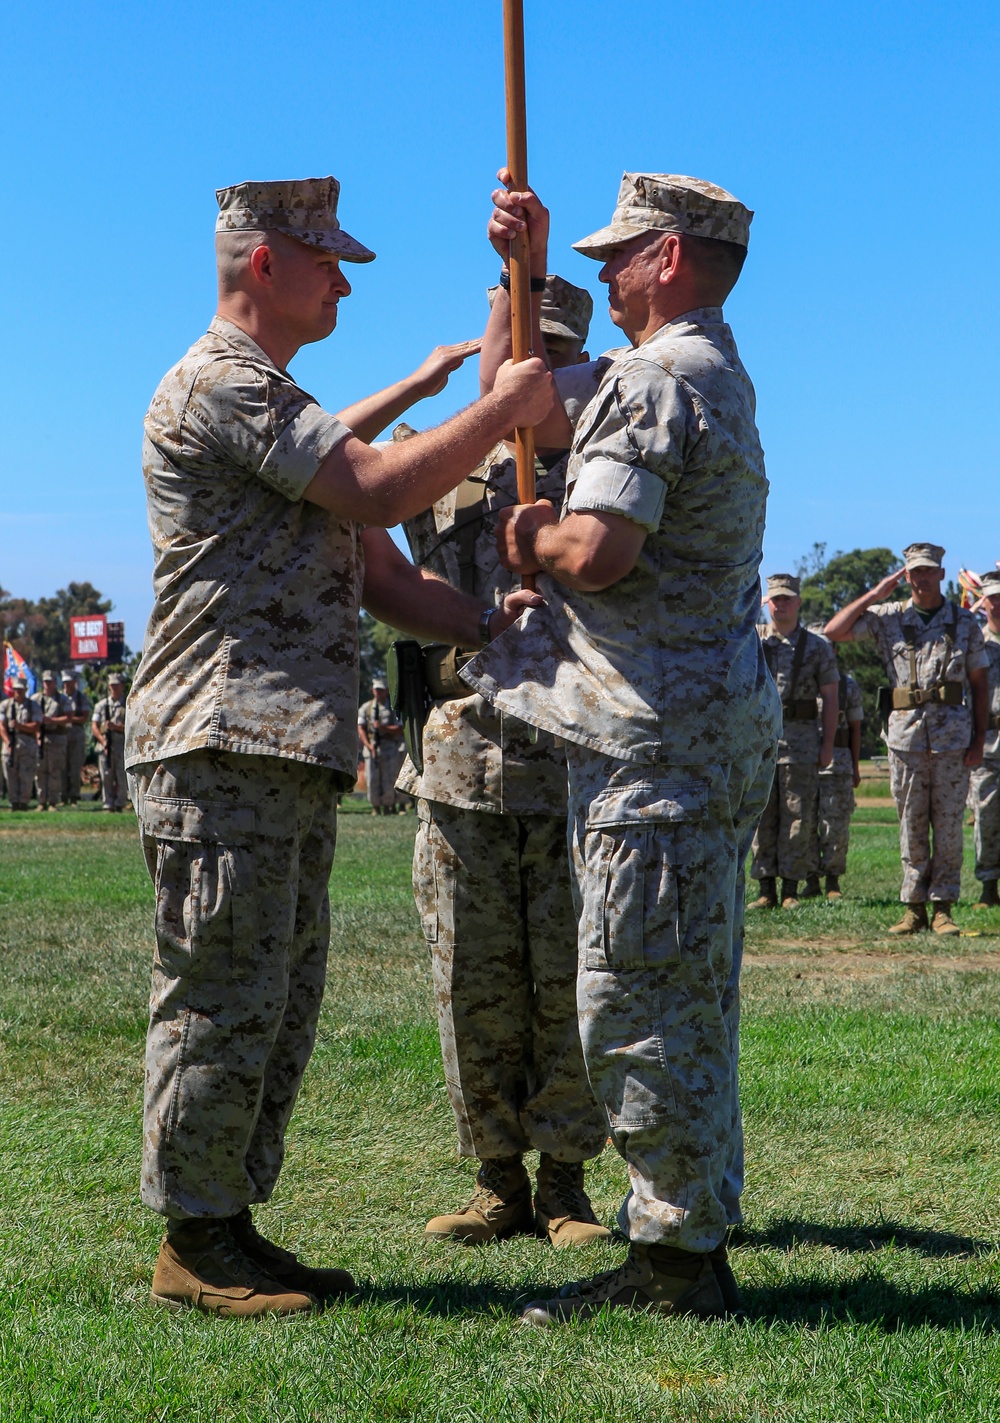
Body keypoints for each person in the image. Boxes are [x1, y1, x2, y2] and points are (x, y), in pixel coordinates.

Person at [124, 175, 553, 1317]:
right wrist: (499, 401)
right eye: (327, 260)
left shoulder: (282, 402)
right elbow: (374, 487)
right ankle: (193, 1240)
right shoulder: (223, 383)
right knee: (218, 993)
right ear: (264, 262)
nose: (344, 281)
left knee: (273, 996)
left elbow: (379, 572)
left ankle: (228, 1220)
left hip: (276, 745)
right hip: (219, 739)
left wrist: (479, 622)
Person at [462, 169, 781, 1321]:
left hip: (659, 745)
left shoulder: (660, 374)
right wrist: (523, 272)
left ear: (676, 257)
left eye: (620, 252)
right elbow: (533, 404)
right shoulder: (701, 366)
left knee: (642, 997)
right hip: (689, 733)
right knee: (679, 988)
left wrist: (538, 539)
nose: (603, 273)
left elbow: (600, 549)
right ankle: (685, 1236)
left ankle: (674, 1262)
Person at [399, 275, 609, 1248]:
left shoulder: (614, 480)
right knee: (470, 983)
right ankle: (496, 1180)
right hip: (460, 766)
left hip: (573, 765)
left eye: (556, 359)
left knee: (571, 979)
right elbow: (362, 484)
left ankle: (566, 1183)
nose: (535, 374)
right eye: (521, 354)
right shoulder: (442, 473)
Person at [825, 544, 988, 935]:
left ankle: (943, 908)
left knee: (948, 827)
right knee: (911, 824)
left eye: (930, 571)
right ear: (906, 575)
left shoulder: (964, 623)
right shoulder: (888, 617)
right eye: (915, 572)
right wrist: (877, 593)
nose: (923, 578)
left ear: (942, 574)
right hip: (906, 740)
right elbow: (834, 631)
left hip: (952, 740)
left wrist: (979, 739)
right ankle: (913, 907)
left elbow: (981, 686)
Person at [749, 576, 838, 908]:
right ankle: (764, 888)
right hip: (759, 743)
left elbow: (831, 698)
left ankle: (790, 888)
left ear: (798, 602)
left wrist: (827, 744)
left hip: (801, 742)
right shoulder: (752, 641)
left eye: (787, 598)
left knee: (798, 816)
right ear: (766, 603)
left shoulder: (817, 646)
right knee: (761, 815)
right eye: (775, 599)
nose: (780, 604)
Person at [811, 659, 863, 900]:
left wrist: (855, 766)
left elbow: (855, 728)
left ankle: (833, 881)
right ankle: (810, 880)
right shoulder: (802, 683)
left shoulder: (848, 686)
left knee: (836, 827)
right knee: (804, 825)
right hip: (805, 761)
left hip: (838, 764)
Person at [970, 570, 1000, 909]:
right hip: (987, 742)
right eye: (993, 597)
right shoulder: (975, 644)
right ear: (984, 601)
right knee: (987, 817)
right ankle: (989, 888)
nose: (999, 603)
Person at [357, 678, 404, 814]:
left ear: (387, 690)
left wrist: (384, 728)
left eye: (382, 690)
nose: (379, 693)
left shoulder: (393, 708)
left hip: (390, 746)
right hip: (372, 747)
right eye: (377, 690)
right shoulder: (366, 708)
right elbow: (361, 728)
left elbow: (400, 728)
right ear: (373, 690)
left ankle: (390, 805)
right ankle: (375, 806)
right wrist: (368, 745)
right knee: (372, 778)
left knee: (390, 777)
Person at [1, 676, 41, 811]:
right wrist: (7, 741)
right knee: (10, 774)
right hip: (10, 743)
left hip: (27, 743)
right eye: (16, 689)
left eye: (21, 690)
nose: (18, 692)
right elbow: (1, 725)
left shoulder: (33, 706)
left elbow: (36, 725)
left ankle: (23, 802)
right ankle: (13, 802)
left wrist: (19, 726)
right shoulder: (5, 705)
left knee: (26, 774)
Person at [35, 671, 72, 810]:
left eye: (50, 681)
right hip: (41, 738)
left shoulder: (62, 699)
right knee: (40, 771)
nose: (47, 684)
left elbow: (68, 717)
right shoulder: (35, 699)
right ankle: (41, 801)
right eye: (45, 681)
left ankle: (53, 802)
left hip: (57, 737)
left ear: (55, 682)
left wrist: (51, 720)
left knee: (55, 771)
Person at [92, 673, 129, 811]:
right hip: (105, 746)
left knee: (121, 775)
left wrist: (116, 727)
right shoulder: (101, 705)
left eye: (116, 685)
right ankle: (107, 803)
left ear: (122, 686)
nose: (114, 688)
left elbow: (133, 728)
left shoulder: (128, 705)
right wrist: (102, 741)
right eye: (111, 685)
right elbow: (94, 726)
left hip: (121, 745)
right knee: (106, 776)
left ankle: (120, 803)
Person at [61, 669, 93, 805]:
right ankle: (62, 796)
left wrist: (67, 718)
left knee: (75, 767)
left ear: (75, 682)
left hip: (77, 734)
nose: (67, 685)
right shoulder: (59, 697)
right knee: (62, 767)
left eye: (69, 682)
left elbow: (84, 717)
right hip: (61, 734)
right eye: (65, 682)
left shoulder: (81, 697)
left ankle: (74, 796)